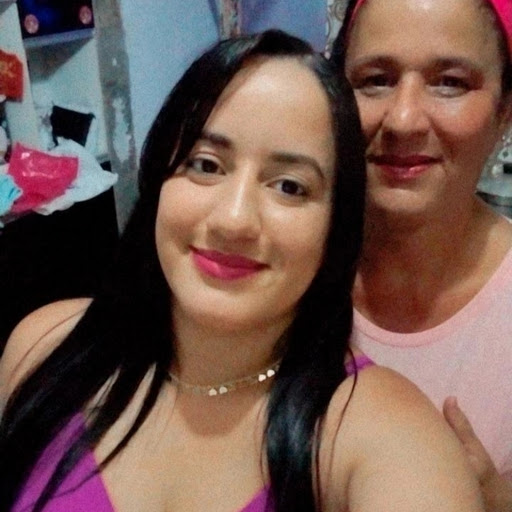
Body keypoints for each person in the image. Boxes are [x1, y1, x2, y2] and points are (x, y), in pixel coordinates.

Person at [0, 30, 484, 512]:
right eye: (206, 165)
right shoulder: (44, 349)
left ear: (335, 229)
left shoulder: (381, 435)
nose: (233, 220)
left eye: (290, 186)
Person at [331, 0, 512, 510]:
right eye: (376, 80)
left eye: (450, 83)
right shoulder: (283, 273)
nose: (404, 119)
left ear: (505, 109)